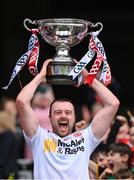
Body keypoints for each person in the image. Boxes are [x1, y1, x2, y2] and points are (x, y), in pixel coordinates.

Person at [16, 59, 120, 180]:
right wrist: (41, 76)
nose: (63, 116)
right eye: (58, 112)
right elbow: (22, 102)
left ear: (75, 117)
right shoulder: (39, 137)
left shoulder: (86, 138)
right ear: (50, 117)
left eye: (68, 112)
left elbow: (113, 104)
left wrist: (89, 79)